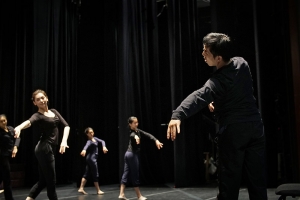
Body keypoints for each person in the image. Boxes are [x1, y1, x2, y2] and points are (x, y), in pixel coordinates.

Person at [166, 33, 267, 200]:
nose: (203, 54)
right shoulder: (242, 64)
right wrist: (219, 103)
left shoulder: (216, 82)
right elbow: (239, 91)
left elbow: (198, 97)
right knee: (258, 183)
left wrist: (177, 114)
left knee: (228, 185)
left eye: (206, 51)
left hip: (234, 132)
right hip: (255, 128)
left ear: (218, 58)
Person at [14, 89, 70, 200]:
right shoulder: (38, 115)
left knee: (43, 180)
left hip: (49, 148)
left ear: (47, 98)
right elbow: (29, 122)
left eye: (42, 98)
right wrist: (20, 127)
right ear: (34, 103)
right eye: (38, 99)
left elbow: (67, 126)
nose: (41, 100)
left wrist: (64, 141)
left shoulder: (54, 111)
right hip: (44, 148)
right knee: (51, 181)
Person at [119, 116, 163, 200]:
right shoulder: (132, 133)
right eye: (134, 123)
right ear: (130, 124)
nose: (136, 124)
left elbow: (147, 135)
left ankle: (121, 194)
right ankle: (139, 196)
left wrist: (156, 140)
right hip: (132, 155)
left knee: (126, 173)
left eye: (137, 122)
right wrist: (136, 137)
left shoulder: (138, 131)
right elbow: (132, 136)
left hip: (127, 154)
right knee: (135, 175)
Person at [78, 127, 108, 195]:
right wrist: (84, 150)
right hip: (92, 159)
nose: (92, 134)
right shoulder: (89, 141)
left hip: (90, 159)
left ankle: (81, 188)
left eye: (92, 132)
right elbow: (86, 146)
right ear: (87, 134)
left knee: (87, 173)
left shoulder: (95, 139)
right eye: (90, 133)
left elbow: (102, 141)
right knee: (95, 174)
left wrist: (104, 146)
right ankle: (98, 190)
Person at [0, 114, 21, 200]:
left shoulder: (11, 129)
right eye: (1, 122)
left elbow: (18, 137)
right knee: (6, 178)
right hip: (2, 157)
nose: (3, 123)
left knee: (3, 176)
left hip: (9, 155)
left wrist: (15, 146)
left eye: (4, 120)